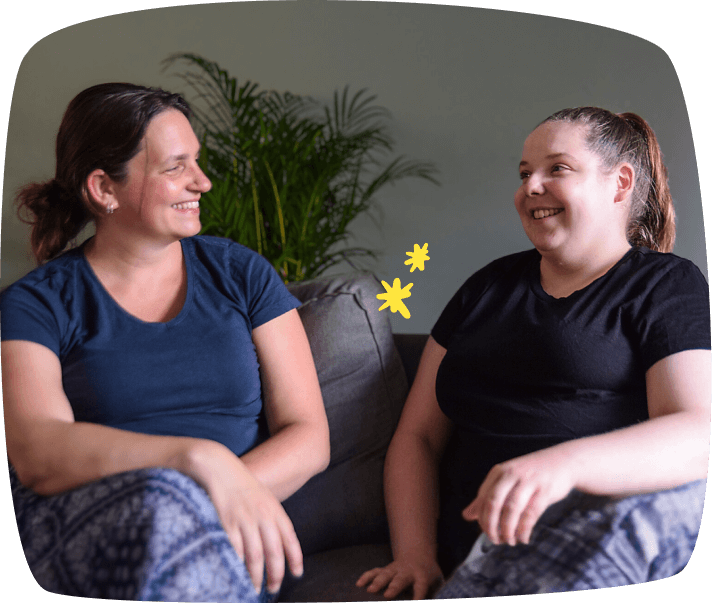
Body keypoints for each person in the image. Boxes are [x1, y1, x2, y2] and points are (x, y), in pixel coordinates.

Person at [357, 107, 710, 599]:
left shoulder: (665, 284)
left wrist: (561, 466)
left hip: (591, 534)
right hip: (483, 554)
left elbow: (697, 434)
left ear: (620, 183)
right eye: (525, 174)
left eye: (557, 168)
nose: (531, 187)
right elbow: (416, 436)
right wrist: (414, 554)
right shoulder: (486, 286)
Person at [1, 83, 330, 602]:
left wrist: (223, 490)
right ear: (104, 188)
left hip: (229, 535)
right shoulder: (36, 303)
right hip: (98, 529)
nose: (203, 181)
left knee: (177, 520)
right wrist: (197, 459)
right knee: (160, 504)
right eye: (176, 167)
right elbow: (38, 451)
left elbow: (309, 436)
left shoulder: (241, 274)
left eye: (196, 161)